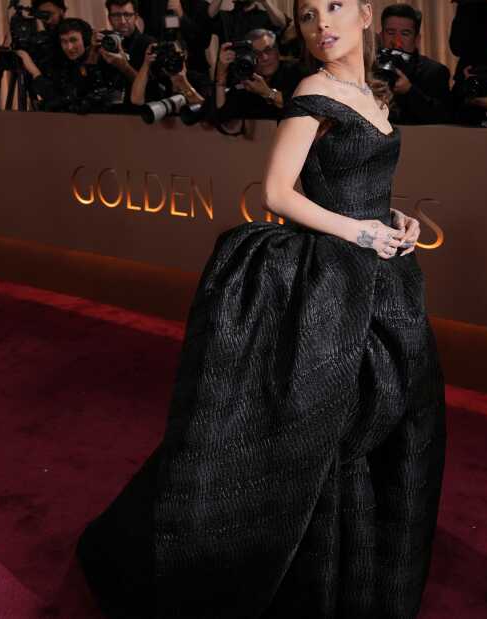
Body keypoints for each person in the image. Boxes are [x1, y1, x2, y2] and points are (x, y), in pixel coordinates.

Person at [77, 0, 445, 616]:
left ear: (364, 14)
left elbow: (359, 185)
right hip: (334, 281)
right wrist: (360, 232)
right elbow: (277, 192)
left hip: (379, 276)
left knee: (376, 418)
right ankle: (309, 577)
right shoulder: (313, 92)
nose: (321, 24)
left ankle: (355, 565)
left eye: (334, 7)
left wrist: (392, 217)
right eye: (308, 15)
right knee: (321, 426)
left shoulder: (372, 92)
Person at [213, 28, 306, 124]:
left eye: (268, 50)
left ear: (277, 51)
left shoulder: (296, 71)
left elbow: (302, 107)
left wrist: (267, 93)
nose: (264, 57)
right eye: (256, 53)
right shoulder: (246, 76)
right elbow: (222, 118)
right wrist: (221, 76)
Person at [379, 3, 451, 124]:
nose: (397, 42)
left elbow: (444, 116)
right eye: (390, 33)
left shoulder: (435, 72)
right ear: (381, 36)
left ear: (417, 40)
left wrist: (409, 91)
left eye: (405, 34)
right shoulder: (368, 69)